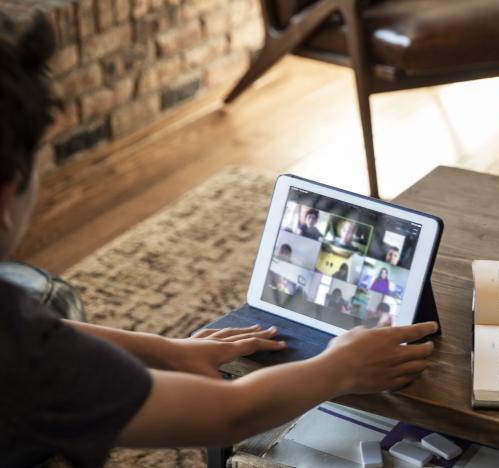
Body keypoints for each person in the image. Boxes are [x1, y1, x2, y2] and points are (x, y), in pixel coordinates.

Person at [0, 16, 437, 468]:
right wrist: (339, 368)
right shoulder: (27, 360)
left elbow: (40, 333)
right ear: (9, 194)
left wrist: (167, 350)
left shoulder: (23, 340)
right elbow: (227, 415)